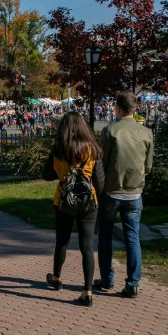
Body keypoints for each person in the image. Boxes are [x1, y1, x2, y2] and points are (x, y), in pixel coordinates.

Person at [42, 111, 105, 307]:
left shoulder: (58, 150)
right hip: (88, 202)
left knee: (62, 242)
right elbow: (100, 182)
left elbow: (46, 174)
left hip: (64, 201)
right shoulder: (92, 149)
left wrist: (63, 174)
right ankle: (87, 290)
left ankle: (57, 278)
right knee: (87, 247)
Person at [95, 92, 154, 298]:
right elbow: (147, 166)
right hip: (134, 192)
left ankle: (107, 279)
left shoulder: (110, 131)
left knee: (105, 237)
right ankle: (133, 282)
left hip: (112, 191)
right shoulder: (146, 132)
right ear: (134, 108)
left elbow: (102, 163)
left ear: (118, 108)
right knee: (132, 238)